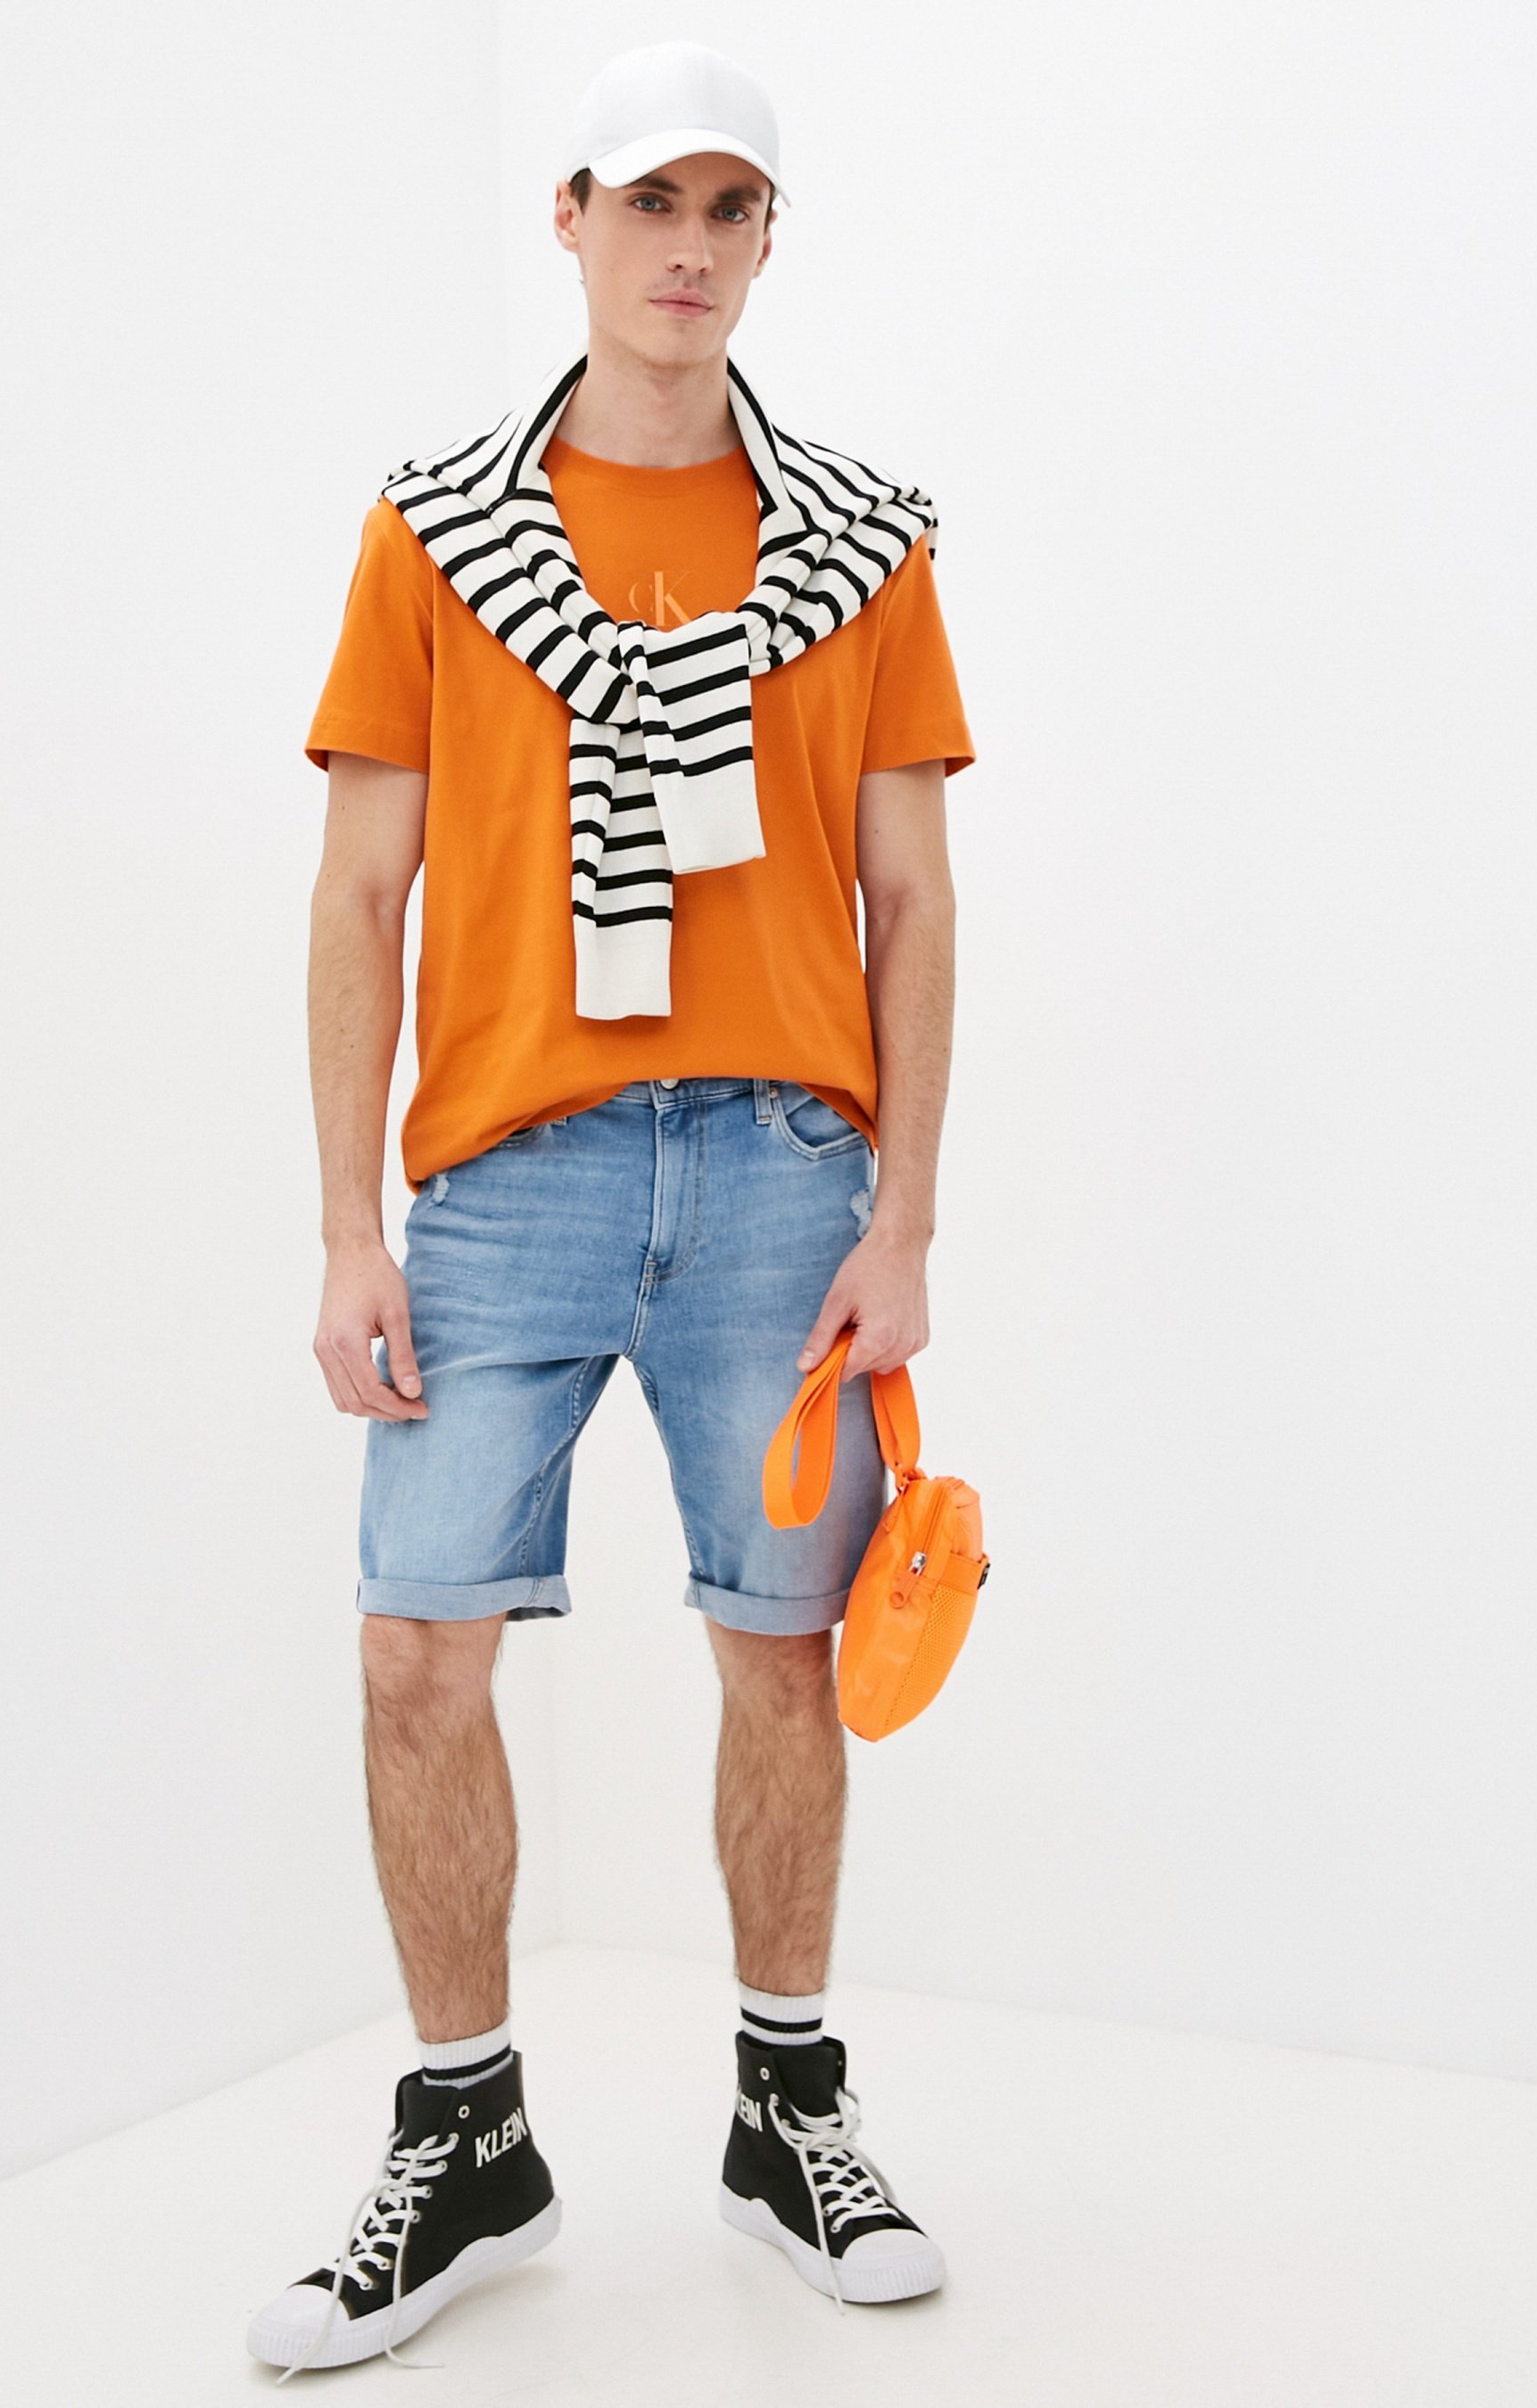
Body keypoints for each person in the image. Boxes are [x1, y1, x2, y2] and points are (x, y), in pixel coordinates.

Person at [248, 38, 976, 2377]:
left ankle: (789, 2108)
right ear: (565, 217)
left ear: (769, 241)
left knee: (782, 1647)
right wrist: (348, 1226)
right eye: (648, 201)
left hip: (782, 1169)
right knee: (412, 1651)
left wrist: (904, 1218)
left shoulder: (862, 544)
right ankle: (464, 2138)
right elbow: (360, 892)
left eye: (729, 207)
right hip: (505, 1170)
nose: (688, 247)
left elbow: (910, 898)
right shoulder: (434, 533)